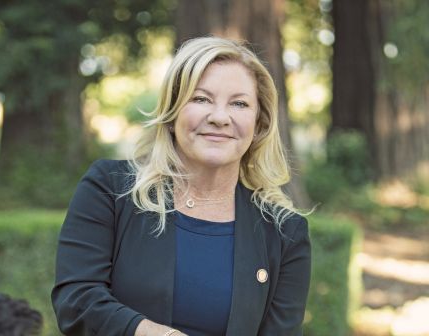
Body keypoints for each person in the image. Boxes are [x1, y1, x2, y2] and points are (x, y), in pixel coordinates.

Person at [51, 36, 311, 336]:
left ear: (258, 125)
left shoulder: (284, 232)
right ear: (172, 114)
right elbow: (76, 301)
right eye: (201, 99)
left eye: (239, 103)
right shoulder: (110, 189)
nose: (219, 117)